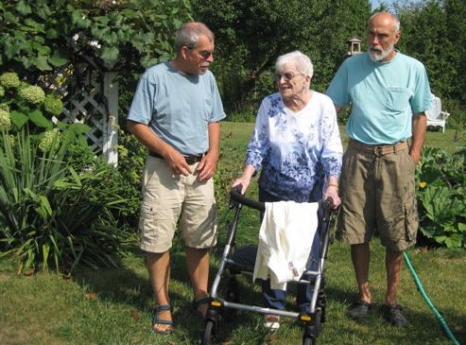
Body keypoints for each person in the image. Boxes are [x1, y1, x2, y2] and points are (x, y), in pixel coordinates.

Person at [326, 11, 432, 328]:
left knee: (395, 233)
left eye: (382, 36)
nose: (374, 41)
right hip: (358, 156)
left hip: (396, 159)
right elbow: (331, 108)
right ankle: (364, 298)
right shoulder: (351, 67)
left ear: (396, 37)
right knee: (357, 229)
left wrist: (413, 154)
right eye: (371, 33)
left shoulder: (413, 69)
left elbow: (420, 116)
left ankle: (391, 301)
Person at [231, 50, 342, 330]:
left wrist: (332, 186)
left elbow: (331, 149)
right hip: (273, 190)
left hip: (311, 195)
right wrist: (245, 177)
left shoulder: (323, 105)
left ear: (307, 78)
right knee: (274, 247)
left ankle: (307, 305)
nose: (281, 81)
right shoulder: (269, 105)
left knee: (310, 251)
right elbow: (258, 146)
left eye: (288, 76)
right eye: (279, 76)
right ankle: (273, 306)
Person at [127, 22, 226, 334]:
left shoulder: (207, 79)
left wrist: (212, 155)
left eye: (211, 53)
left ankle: (200, 295)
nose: (210, 59)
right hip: (163, 171)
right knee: (157, 239)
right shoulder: (155, 78)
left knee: (201, 237)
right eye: (205, 53)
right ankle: (163, 302)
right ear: (185, 51)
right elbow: (136, 123)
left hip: (200, 172)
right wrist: (168, 151)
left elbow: (214, 119)